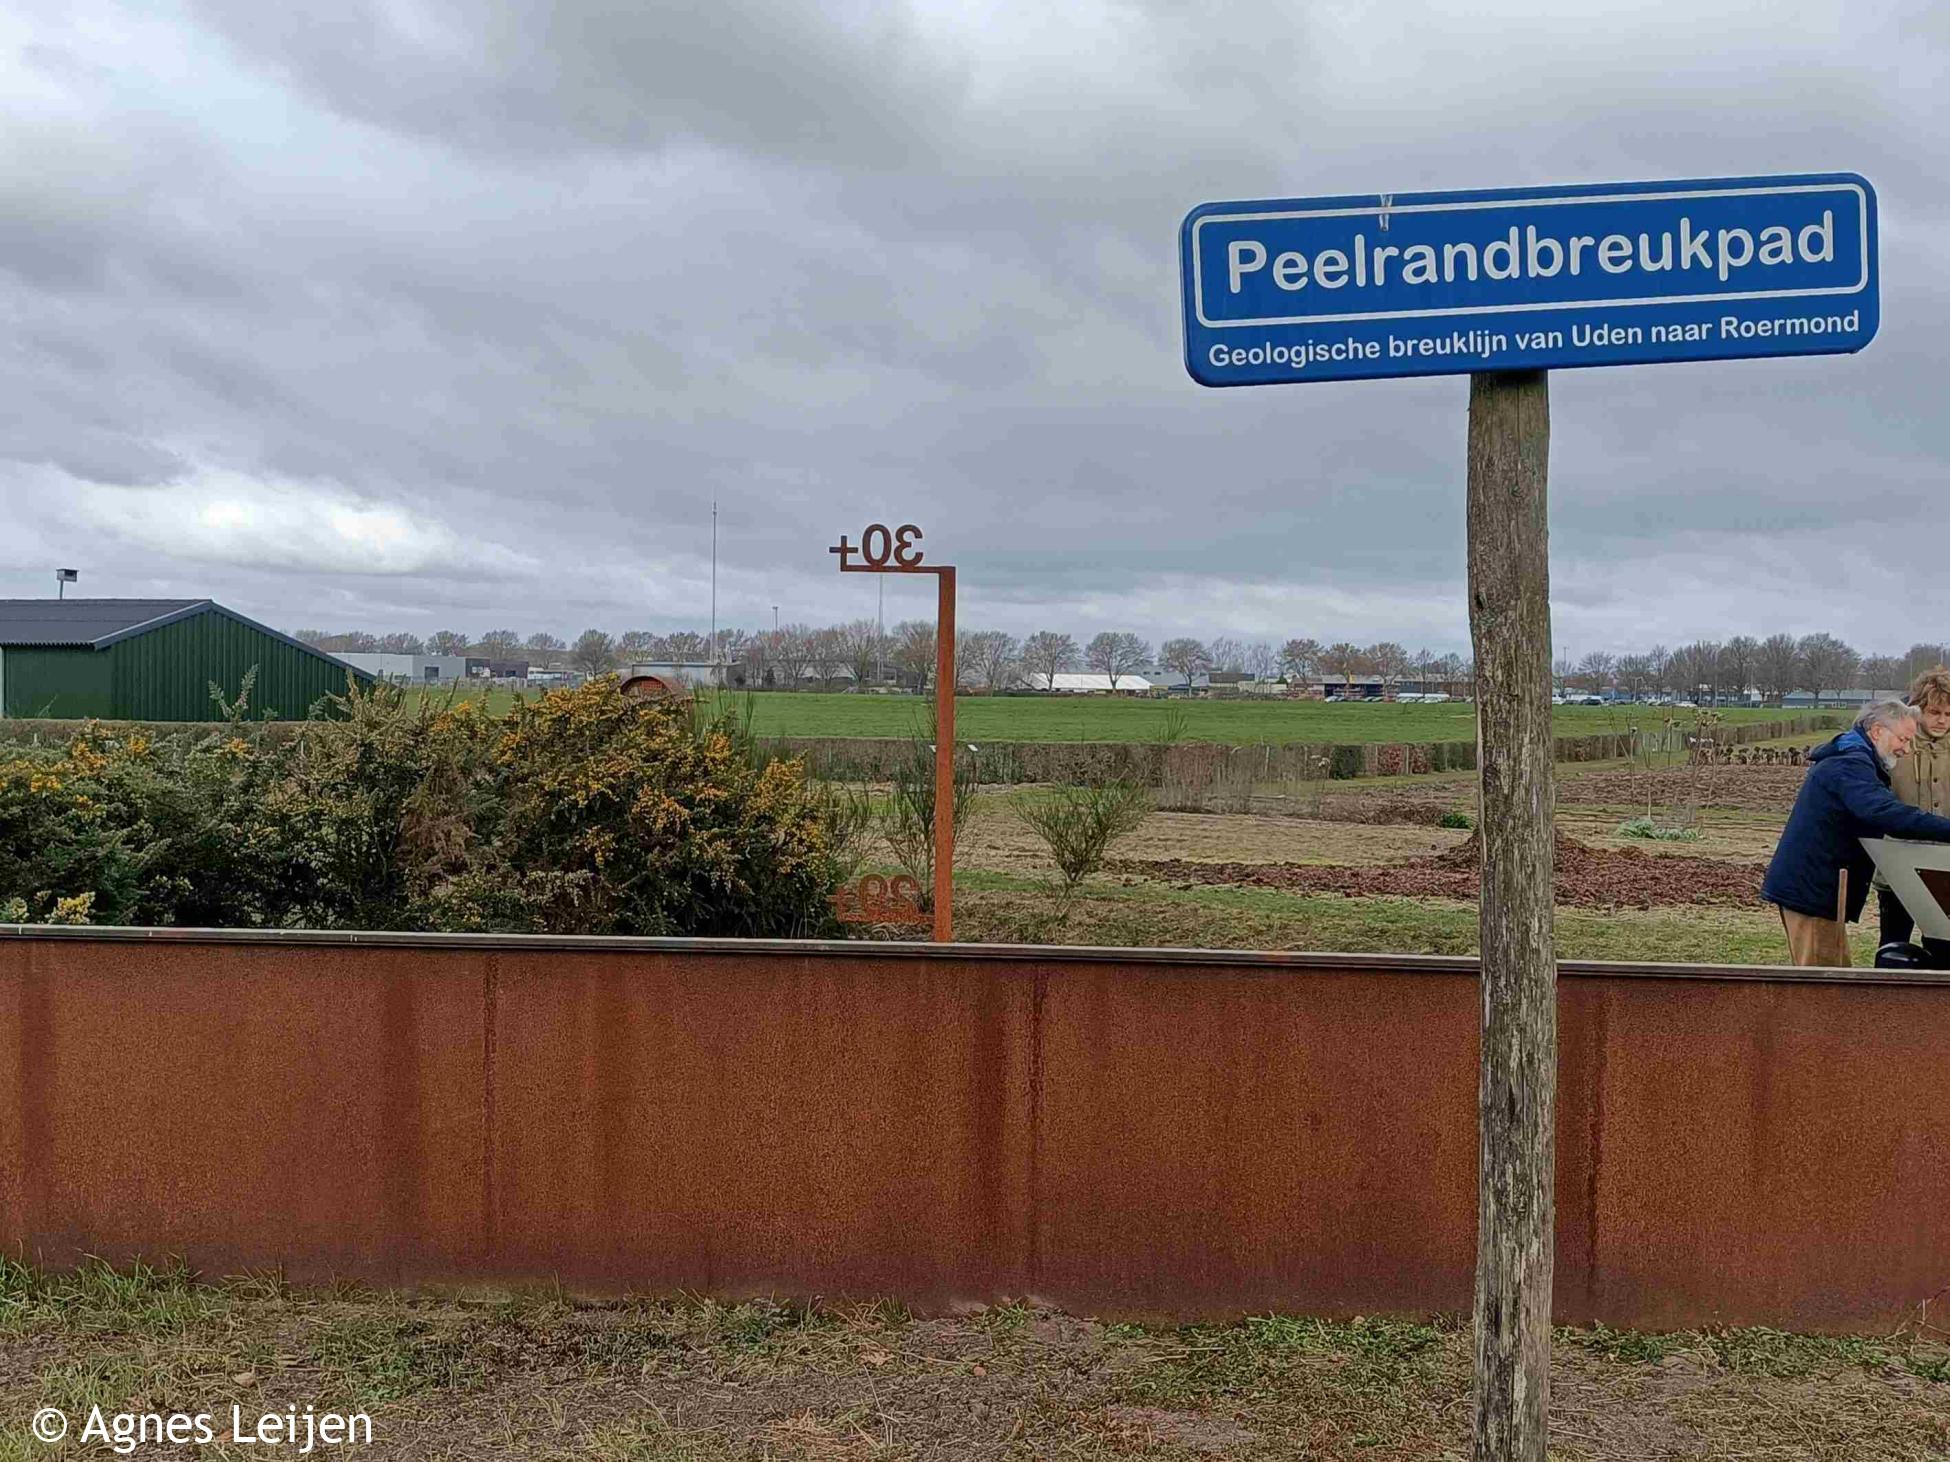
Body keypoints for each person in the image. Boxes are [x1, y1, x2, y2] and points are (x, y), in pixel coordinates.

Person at [1761, 698, 1950, 967]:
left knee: (1837, 979)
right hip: (1814, 891)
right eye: (1903, 739)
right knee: (1824, 987)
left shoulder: (1853, 759)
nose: (1906, 749)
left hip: (1818, 889)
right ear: (1877, 731)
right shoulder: (1850, 765)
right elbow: (1884, 813)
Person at [1875, 667, 1950, 947]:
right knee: (1893, 943)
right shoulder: (1895, 746)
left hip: (1945, 866)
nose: (1942, 721)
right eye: (1934, 712)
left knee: (1943, 946)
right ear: (1918, 709)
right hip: (1898, 863)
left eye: (1948, 714)